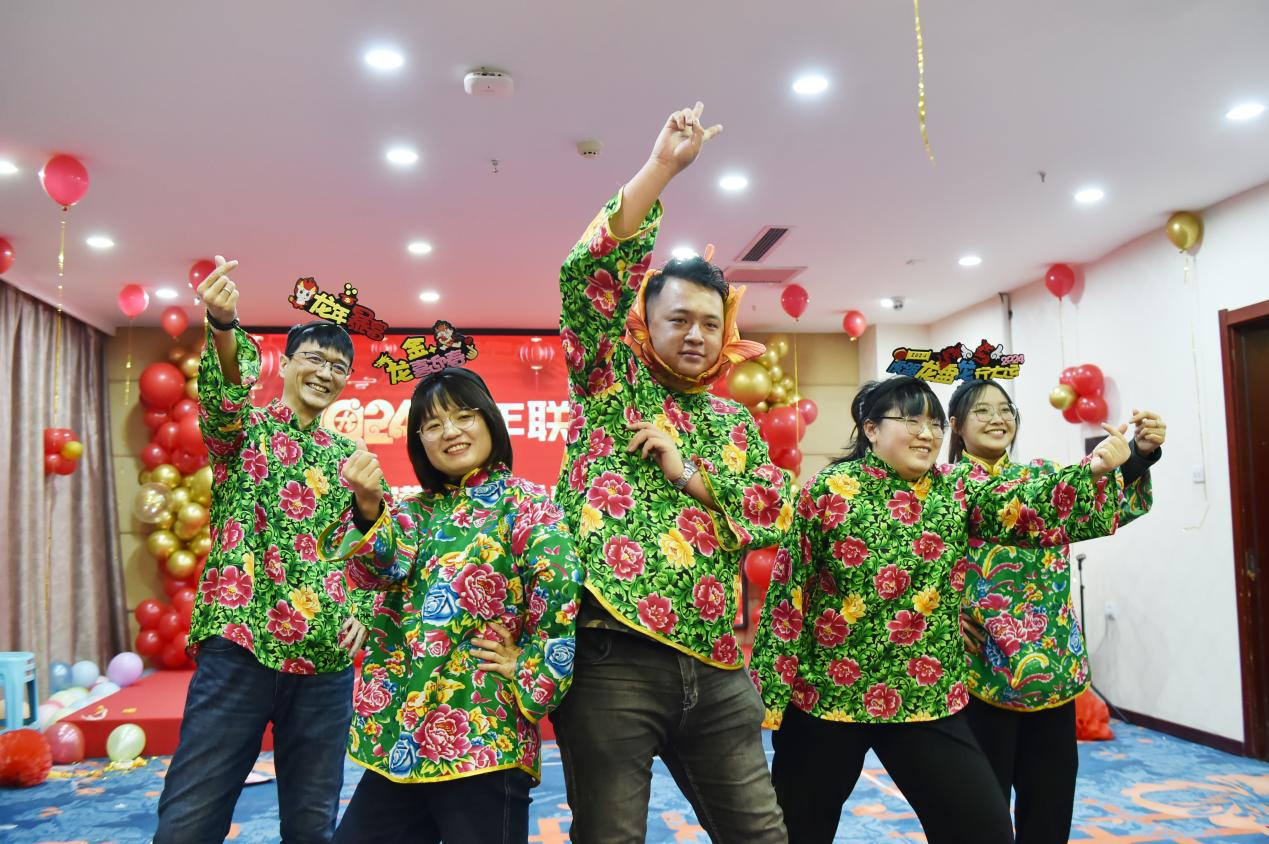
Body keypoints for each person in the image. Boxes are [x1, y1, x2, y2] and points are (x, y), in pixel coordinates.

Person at [548, 102, 791, 843]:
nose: (695, 334)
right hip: (611, 657)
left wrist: (690, 474)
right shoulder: (608, 382)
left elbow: (772, 509)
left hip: (716, 661)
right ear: (645, 324)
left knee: (761, 835)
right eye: (678, 319)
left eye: (710, 323)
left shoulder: (732, 422)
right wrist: (661, 168)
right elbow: (587, 277)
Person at [752, 375, 1135, 843]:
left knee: (983, 831)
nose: (927, 433)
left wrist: (1092, 471)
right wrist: (768, 696)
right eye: (911, 421)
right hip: (830, 695)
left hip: (924, 695)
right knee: (796, 832)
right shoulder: (827, 491)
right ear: (871, 429)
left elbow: (1024, 507)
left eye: (934, 423)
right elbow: (788, 596)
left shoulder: (956, 489)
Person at [155, 257, 376, 844]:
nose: (326, 373)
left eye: (339, 366)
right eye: (315, 359)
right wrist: (223, 324)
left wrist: (363, 608)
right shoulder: (244, 431)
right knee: (190, 818)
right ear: (287, 363)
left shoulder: (349, 458)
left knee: (312, 825)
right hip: (241, 644)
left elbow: (364, 554)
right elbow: (225, 395)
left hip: (324, 660)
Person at [320, 366, 582, 843]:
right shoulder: (410, 513)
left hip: (483, 732)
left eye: (464, 416)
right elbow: (376, 570)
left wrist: (529, 666)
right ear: (419, 440)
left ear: (490, 421)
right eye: (433, 424)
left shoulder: (526, 505)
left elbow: (560, 593)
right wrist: (368, 504)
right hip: (402, 735)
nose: (451, 432)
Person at [947, 379, 1164, 843]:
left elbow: (1102, 508)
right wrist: (942, 615)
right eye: (981, 410)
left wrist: (1140, 456)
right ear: (956, 426)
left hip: (1054, 661)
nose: (997, 418)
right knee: (977, 816)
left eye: (1005, 409)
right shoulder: (944, 486)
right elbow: (913, 560)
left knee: (1049, 808)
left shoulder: (1043, 476)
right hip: (978, 666)